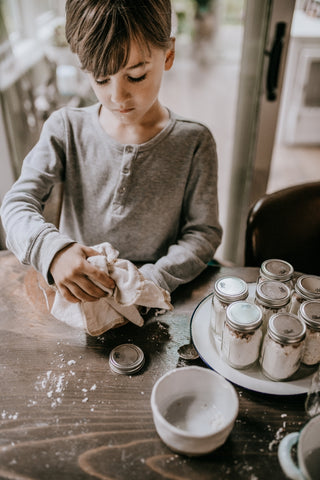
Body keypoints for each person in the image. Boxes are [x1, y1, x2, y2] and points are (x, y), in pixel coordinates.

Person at [0, 0, 222, 306]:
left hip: (154, 298)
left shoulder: (195, 142)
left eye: (136, 76)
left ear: (168, 54)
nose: (117, 97)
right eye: (101, 78)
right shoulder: (65, 129)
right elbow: (16, 204)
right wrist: (53, 250)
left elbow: (203, 232)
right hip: (79, 294)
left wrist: (154, 279)